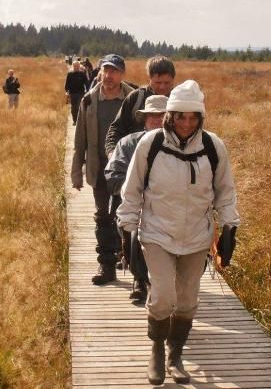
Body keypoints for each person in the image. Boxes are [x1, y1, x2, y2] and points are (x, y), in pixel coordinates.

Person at [117, 80, 240, 385]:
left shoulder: (213, 147)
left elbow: (225, 191)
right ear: (170, 115)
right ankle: (157, 350)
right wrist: (127, 229)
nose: (186, 123)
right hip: (157, 233)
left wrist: (229, 228)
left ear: (201, 117)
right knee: (162, 296)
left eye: (193, 117)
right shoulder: (151, 145)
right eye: (180, 116)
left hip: (197, 236)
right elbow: (131, 190)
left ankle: (176, 354)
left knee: (187, 301)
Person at [71, 54, 135, 285]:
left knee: (129, 215)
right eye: (105, 70)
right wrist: (76, 173)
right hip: (99, 170)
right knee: (103, 217)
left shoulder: (133, 98)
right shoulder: (89, 100)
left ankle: (127, 258)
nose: (108, 76)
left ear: (122, 74)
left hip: (129, 170)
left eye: (114, 71)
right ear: (99, 72)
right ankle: (106, 265)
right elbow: (79, 140)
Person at [104, 95, 167, 302]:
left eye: (162, 116)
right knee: (133, 228)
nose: (156, 120)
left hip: (171, 209)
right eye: (152, 116)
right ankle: (140, 280)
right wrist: (139, 192)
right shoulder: (127, 144)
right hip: (136, 207)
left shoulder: (185, 147)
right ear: (144, 119)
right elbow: (113, 177)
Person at [105, 56, 176, 157]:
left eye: (167, 83)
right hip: (135, 159)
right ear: (149, 78)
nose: (162, 87)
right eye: (158, 82)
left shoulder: (179, 101)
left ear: (173, 79)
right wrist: (112, 152)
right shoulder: (136, 98)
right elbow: (117, 129)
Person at [65, 61, 90, 125]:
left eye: (77, 66)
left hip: (80, 93)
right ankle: (75, 120)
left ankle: (80, 121)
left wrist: (88, 90)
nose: (76, 67)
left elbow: (86, 83)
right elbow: (67, 84)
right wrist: (67, 92)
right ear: (73, 66)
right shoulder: (70, 74)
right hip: (72, 93)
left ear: (79, 66)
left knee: (79, 107)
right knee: (73, 107)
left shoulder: (82, 74)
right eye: (75, 66)